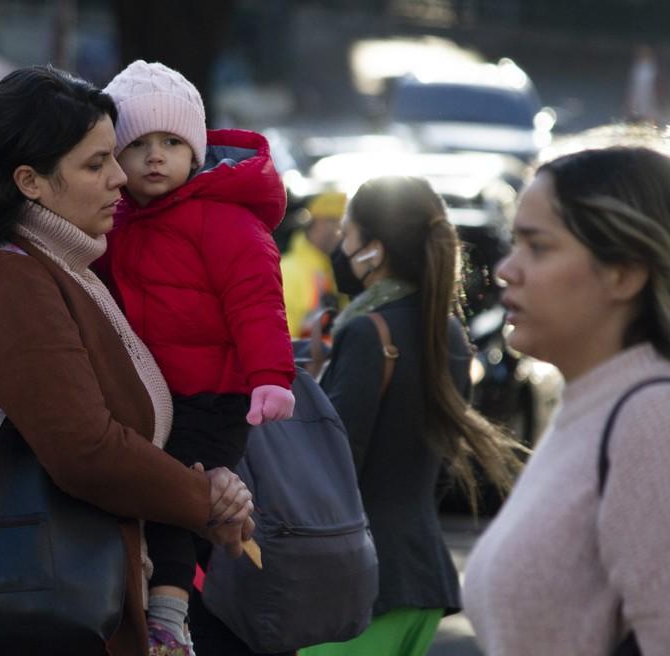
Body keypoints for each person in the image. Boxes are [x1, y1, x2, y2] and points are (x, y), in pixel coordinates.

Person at [0, 65, 256, 656]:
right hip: (26, 613)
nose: (121, 178)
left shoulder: (65, 267)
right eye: (96, 164)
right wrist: (203, 501)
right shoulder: (7, 280)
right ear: (31, 182)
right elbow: (87, 450)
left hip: (61, 604)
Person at [101, 60, 296, 655]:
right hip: (154, 394)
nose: (155, 157)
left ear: (197, 151)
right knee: (169, 501)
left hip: (213, 395)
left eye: (172, 143)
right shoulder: (118, 223)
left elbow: (258, 302)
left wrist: (269, 377)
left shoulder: (225, 221)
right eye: (137, 145)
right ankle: (171, 598)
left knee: (175, 490)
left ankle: (169, 616)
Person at [303, 176, 522, 656]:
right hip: (421, 581)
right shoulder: (448, 332)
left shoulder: (366, 331)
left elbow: (335, 464)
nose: (341, 248)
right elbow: (443, 462)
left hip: (359, 586)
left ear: (374, 250)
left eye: (348, 235)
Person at [463, 146, 670, 654]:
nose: (506, 270)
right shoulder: (596, 401)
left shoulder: (650, 418)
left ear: (624, 272)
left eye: (538, 247)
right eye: (515, 244)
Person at [280, 191, 347, 338]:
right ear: (321, 222)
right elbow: (281, 339)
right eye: (338, 223)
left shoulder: (333, 269)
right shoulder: (287, 270)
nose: (343, 234)